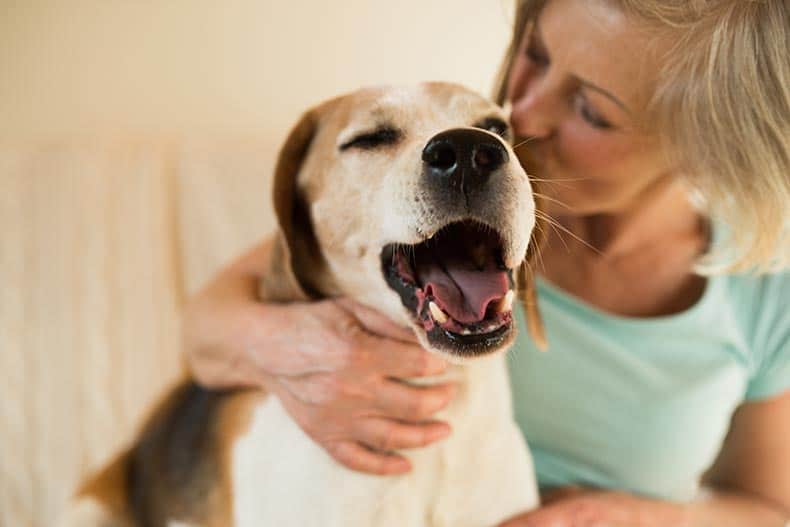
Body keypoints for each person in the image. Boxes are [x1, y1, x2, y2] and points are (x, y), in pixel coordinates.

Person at [182, 0, 790, 525]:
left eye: (592, 111)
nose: (522, 116)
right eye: (537, 53)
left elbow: (769, 509)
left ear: (707, 148)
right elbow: (208, 329)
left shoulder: (764, 288)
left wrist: (628, 518)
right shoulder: (456, 179)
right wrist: (301, 353)